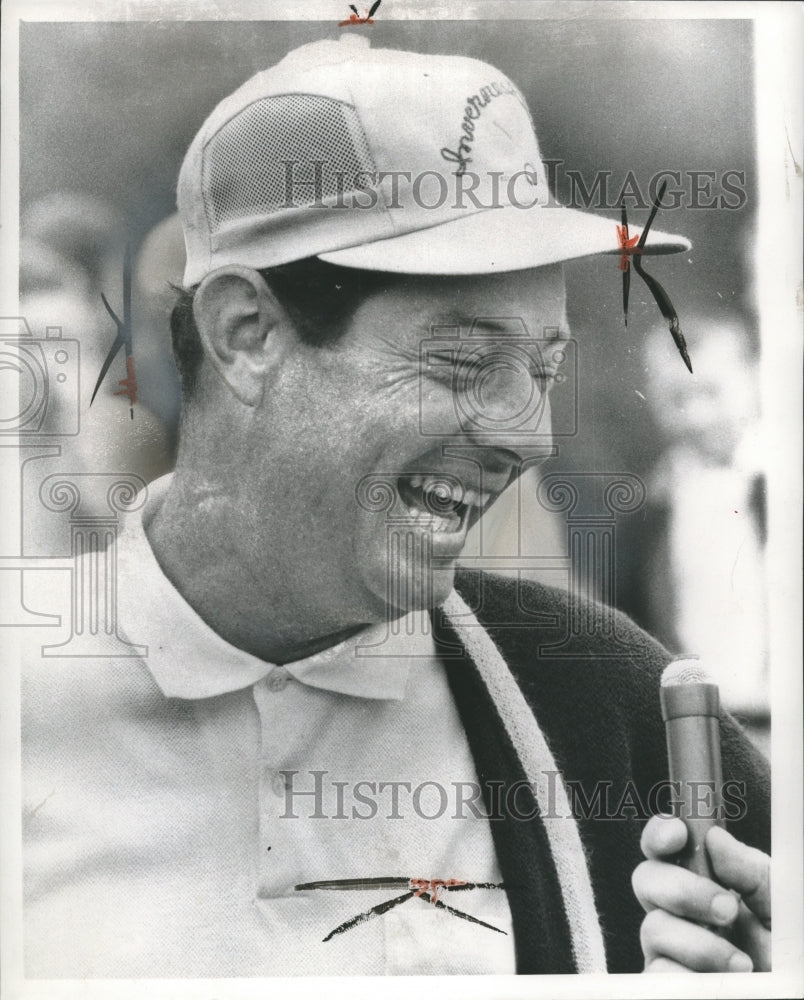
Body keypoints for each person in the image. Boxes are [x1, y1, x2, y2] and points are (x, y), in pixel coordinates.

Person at [21, 36, 770, 977]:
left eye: (542, 368)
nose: (531, 438)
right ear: (246, 334)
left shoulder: (608, 706)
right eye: (461, 363)